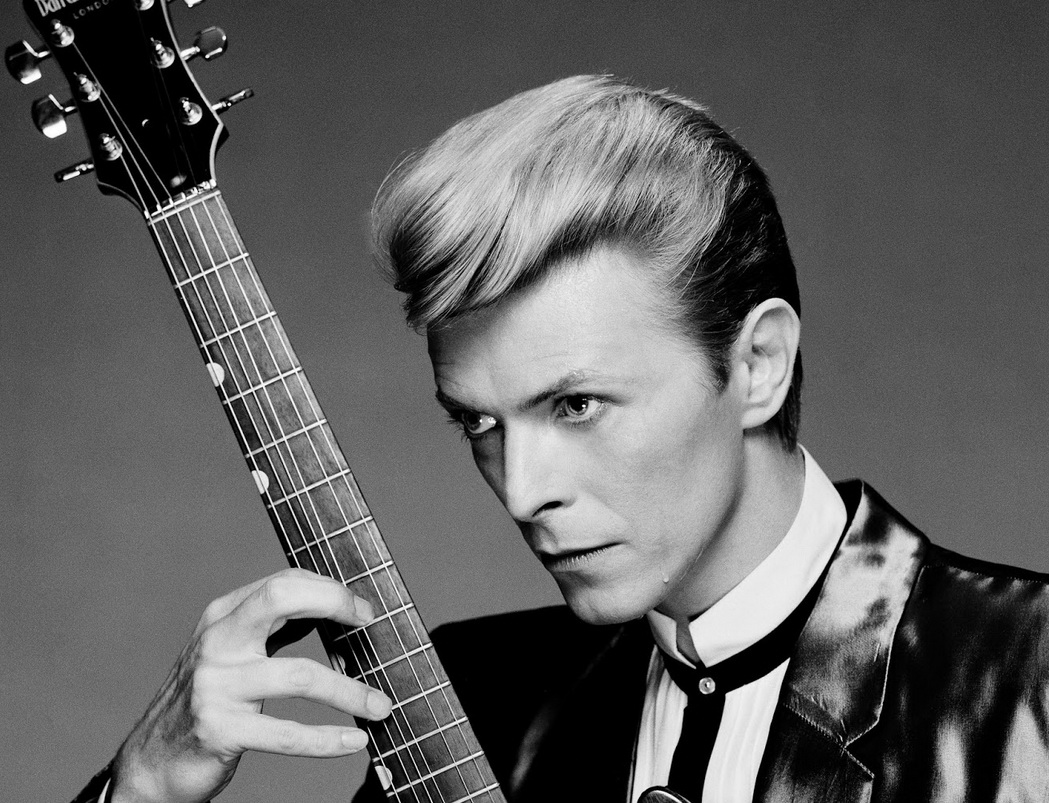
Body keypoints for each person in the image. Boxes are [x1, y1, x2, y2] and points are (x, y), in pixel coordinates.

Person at [73, 75, 1049, 803]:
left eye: (575, 404)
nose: (520, 489)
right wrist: (146, 785)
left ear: (757, 364)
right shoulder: (474, 702)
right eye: (477, 422)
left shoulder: (1027, 676)